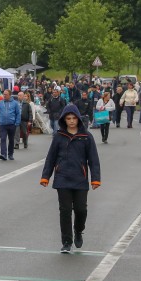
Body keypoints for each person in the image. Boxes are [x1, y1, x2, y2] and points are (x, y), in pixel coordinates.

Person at [40, 105, 101, 253]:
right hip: (62, 179)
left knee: (81, 210)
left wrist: (95, 179)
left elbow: (93, 159)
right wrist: (45, 176)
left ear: (78, 119)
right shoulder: (59, 136)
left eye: (74, 118)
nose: (72, 121)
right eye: (68, 119)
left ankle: (78, 230)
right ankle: (66, 242)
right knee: (65, 211)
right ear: (64, 120)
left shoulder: (86, 137)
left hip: (80, 180)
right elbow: (51, 158)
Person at [0, 89, 21, 161]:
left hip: (12, 124)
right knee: (3, 139)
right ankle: (3, 154)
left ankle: (10, 154)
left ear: (10, 95)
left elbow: (18, 113)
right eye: (3, 94)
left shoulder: (15, 103)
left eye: (6, 94)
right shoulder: (0, 103)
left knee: (11, 140)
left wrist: (17, 123)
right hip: (2, 124)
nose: (4, 96)